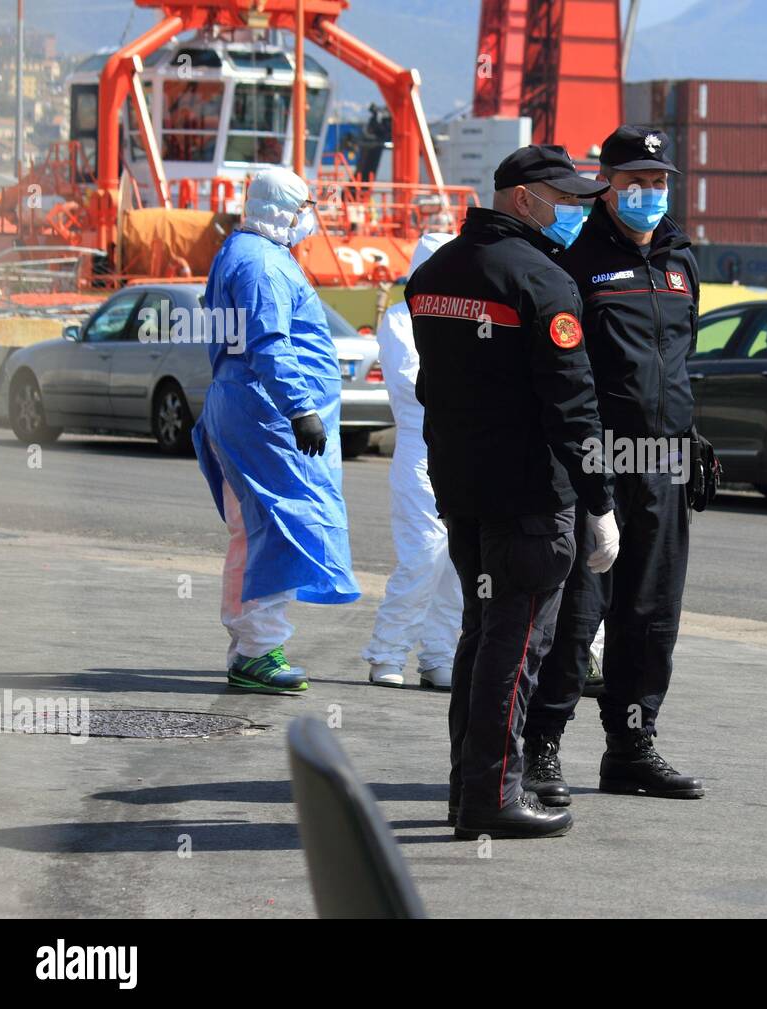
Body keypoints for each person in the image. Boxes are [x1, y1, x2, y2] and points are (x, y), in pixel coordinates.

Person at [407, 145, 619, 839]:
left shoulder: (433, 274)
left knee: (482, 634)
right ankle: (494, 794)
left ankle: (466, 790)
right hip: (530, 495)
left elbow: (429, 388)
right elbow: (574, 406)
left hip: (462, 486)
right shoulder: (543, 282)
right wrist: (600, 501)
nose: (578, 213)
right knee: (516, 646)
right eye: (568, 201)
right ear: (524, 199)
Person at [522, 125, 706, 804]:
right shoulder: (576, 259)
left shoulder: (681, 261)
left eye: (658, 181)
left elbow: (679, 364)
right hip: (596, 462)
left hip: (664, 462)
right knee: (578, 614)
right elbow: (561, 372)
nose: (648, 193)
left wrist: (695, 437)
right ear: (606, 182)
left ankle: (631, 746)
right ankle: (540, 747)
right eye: (634, 181)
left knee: (652, 613)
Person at [194, 167, 360, 693]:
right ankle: (258, 649)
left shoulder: (239, 253)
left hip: (243, 404)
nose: (310, 217)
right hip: (266, 413)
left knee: (255, 530)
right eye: (306, 206)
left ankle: (249, 644)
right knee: (285, 527)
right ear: (285, 209)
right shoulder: (264, 265)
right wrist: (300, 409)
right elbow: (269, 343)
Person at [360, 233, 462, 689]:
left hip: (465, 453)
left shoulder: (471, 318)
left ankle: (439, 657)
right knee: (423, 555)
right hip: (421, 453)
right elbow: (410, 385)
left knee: (460, 561)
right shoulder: (401, 320)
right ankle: (387, 652)